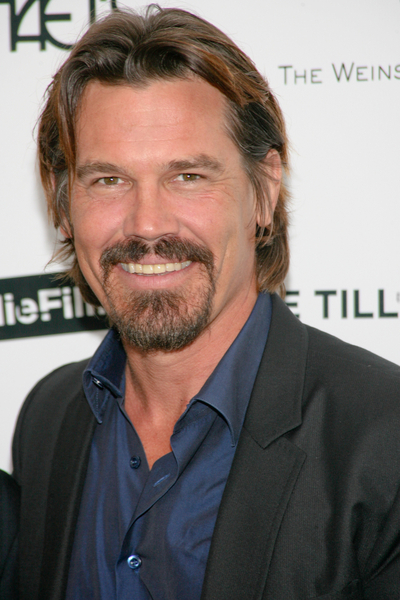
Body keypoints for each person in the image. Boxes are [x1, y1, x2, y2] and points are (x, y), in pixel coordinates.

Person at [12, 6, 400, 600]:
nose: (147, 224)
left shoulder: (383, 438)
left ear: (264, 191)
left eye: (188, 176)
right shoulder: (48, 418)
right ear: (63, 206)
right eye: (108, 180)